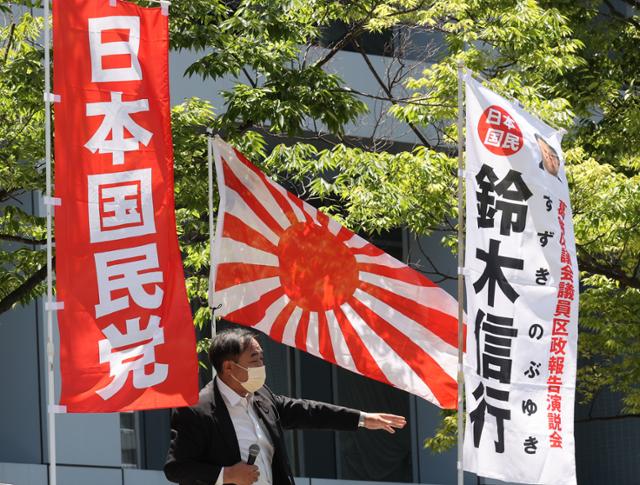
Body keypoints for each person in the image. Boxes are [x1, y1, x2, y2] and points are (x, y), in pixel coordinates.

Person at [164, 328, 407, 485]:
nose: (261, 365)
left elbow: (309, 412)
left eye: (262, 358)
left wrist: (362, 419)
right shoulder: (197, 410)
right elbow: (176, 469)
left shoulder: (262, 396)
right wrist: (225, 475)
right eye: (254, 359)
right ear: (229, 367)